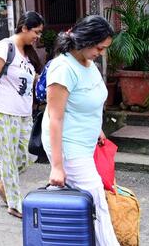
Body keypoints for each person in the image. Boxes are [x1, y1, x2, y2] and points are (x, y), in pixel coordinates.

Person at [41, 15, 119, 245]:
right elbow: (55, 118)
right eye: (99, 47)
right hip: (68, 145)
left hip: (86, 142)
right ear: (85, 40)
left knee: (89, 202)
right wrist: (56, 166)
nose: (101, 53)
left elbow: (88, 100)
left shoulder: (89, 63)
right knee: (95, 199)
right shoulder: (62, 68)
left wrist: (97, 129)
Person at [0, 11, 44, 219]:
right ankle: (14, 203)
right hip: (2, 111)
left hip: (23, 113)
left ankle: (3, 181)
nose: (38, 36)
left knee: (30, 154)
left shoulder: (28, 53)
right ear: (24, 28)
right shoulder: (4, 47)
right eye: (36, 32)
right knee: (10, 158)